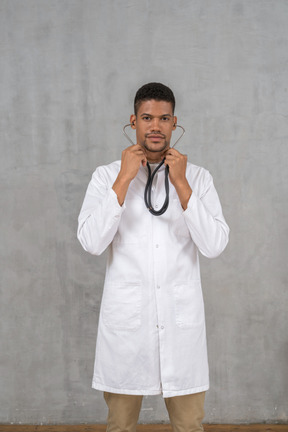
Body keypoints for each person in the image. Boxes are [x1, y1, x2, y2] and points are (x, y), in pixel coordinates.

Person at [77, 82, 229, 432]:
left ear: (175, 123)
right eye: (147, 117)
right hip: (127, 326)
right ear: (134, 121)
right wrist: (124, 177)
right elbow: (91, 241)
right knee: (120, 426)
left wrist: (182, 184)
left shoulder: (199, 179)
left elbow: (215, 244)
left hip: (180, 327)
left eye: (163, 118)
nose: (155, 126)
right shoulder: (105, 177)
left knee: (190, 425)